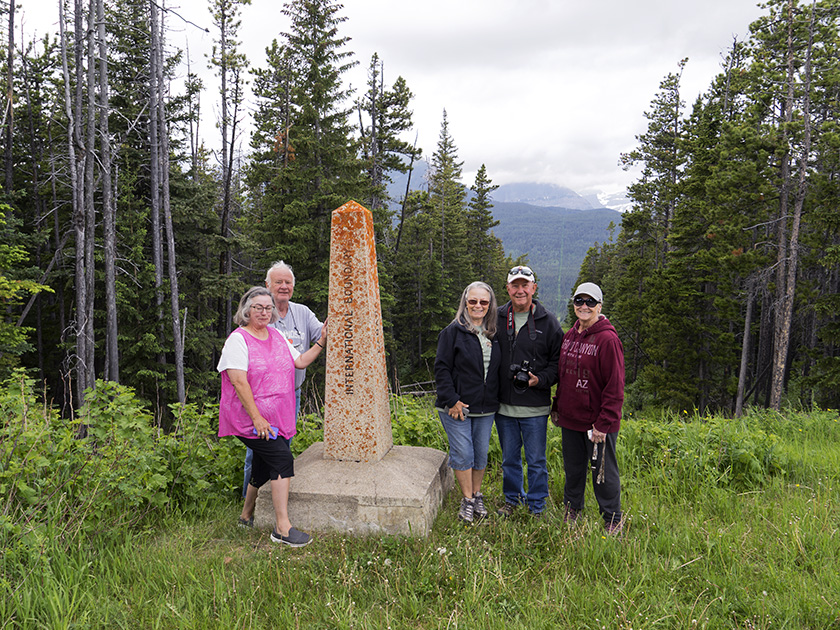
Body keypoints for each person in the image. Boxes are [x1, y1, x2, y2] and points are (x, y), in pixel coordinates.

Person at [218, 286, 328, 546]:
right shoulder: (238, 339)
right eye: (258, 307)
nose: (264, 312)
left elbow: (299, 361)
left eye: (268, 308)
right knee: (281, 457)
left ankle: (246, 516)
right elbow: (238, 381)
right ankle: (282, 528)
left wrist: (322, 341)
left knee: (262, 463)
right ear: (246, 310)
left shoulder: (277, 336)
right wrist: (257, 419)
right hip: (250, 420)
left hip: (278, 415)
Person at [241, 261, 324, 496]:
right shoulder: (260, 314)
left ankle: (272, 501)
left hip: (291, 394)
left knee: (282, 447)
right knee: (257, 451)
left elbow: (324, 334)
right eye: (279, 282)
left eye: (288, 282)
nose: (284, 287)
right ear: (267, 285)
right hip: (262, 397)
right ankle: (251, 505)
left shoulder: (303, 313)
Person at [550, 282, 625, 534]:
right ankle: (572, 509)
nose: (584, 306)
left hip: (597, 423)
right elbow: (565, 375)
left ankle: (612, 518)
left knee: (602, 473)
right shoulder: (570, 335)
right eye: (579, 301)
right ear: (573, 305)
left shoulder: (607, 339)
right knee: (573, 470)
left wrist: (603, 424)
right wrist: (557, 406)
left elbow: (614, 387)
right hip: (571, 418)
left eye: (590, 302)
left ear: (599, 306)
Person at [495, 266, 563, 517]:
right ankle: (512, 500)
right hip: (503, 406)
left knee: (536, 461)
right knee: (509, 460)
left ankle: (537, 506)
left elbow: (558, 364)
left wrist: (540, 380)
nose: (520, 290)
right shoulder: (498, 317)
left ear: (534, 288)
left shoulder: (549, 321)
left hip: (535, 406)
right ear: (508, 288)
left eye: (525, 285)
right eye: (515, 285)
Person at [434, 282, 502, 524]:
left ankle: (476, 493)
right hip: (456, 406)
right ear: (465, 302)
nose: (478, 306)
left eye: (483, 302)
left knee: (480, 453)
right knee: (463, 452)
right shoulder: (452, 332)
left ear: (490, 305)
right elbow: (441, 369)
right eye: (472, 301)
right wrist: (451, 400)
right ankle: (467, 500)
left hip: (485, 406)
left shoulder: (494, 332)